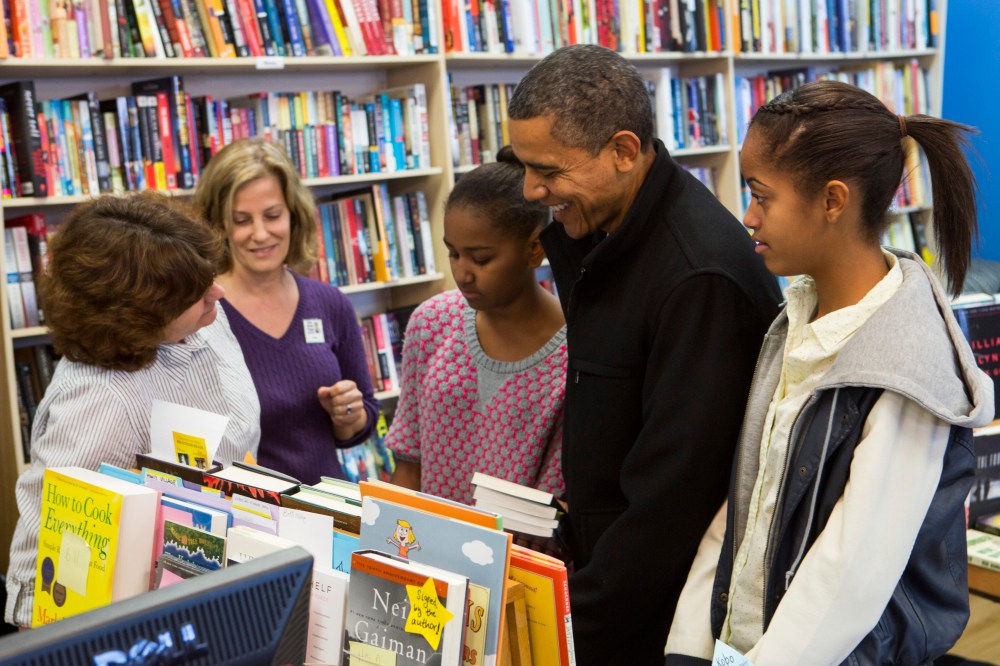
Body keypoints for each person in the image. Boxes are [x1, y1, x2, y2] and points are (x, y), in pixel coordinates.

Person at [665, 80, 995, 665]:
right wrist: (690, 644)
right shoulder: (795, 320)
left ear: (833, 200)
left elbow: (851, 572)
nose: (747, 216)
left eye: (761, 196)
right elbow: (750, 499)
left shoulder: (905, 366)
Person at [506, 44, 783, 664]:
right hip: (607, 582)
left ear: (625, 152)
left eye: (547, 169)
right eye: (523, 166)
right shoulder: (609, 231)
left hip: (651, 620)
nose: (530, 189)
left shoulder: (697, 277)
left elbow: (671, 507)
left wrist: (573, 626)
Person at [4, 192, 261, 628]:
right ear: (138, 315)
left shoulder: (208, 318)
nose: (218, 292)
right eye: (194, 292)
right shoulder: (99, 400)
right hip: (153, 620)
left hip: (227, 578)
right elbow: (45, 565)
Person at [386, 147, 567, 506]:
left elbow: (556, 507)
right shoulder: (431, 323)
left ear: (534, 249)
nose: (462, 272)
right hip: (423, 552)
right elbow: (408, 465)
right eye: (453, 253)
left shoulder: (574, 352)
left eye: (481, 259)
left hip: (520, 558)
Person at [194, 138, 379, 486]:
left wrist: (347, 414)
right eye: (242, 220)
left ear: (294, 214)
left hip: (329, 509)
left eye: (273, 215)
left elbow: (362, 422)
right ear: (218, 225)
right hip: (245, 516)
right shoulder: (201, 313)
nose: (260, 234)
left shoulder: (330, 303)